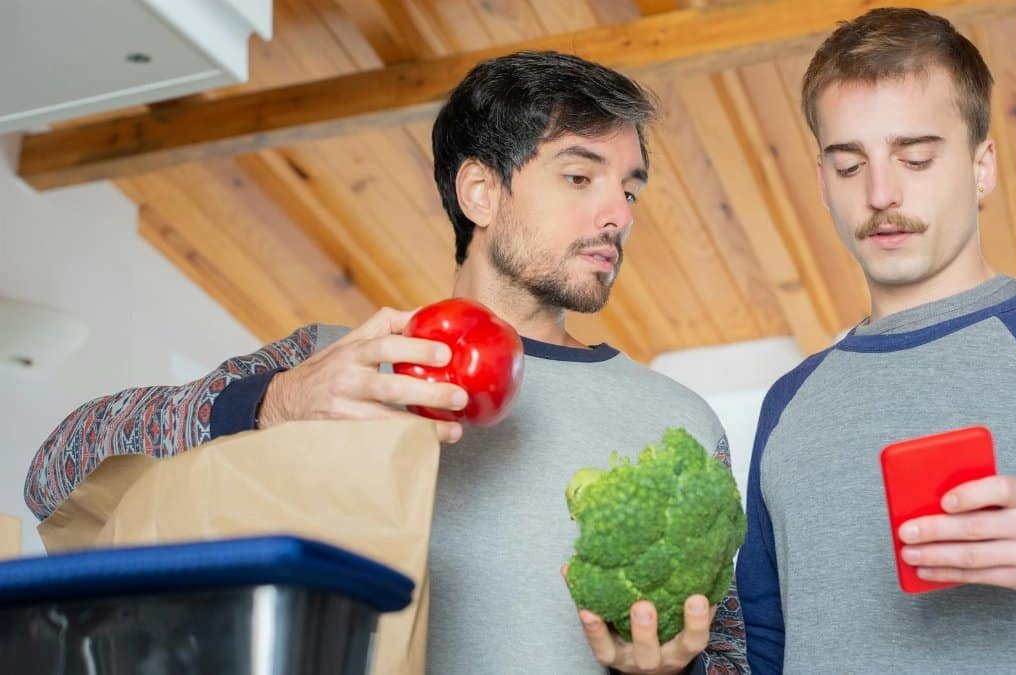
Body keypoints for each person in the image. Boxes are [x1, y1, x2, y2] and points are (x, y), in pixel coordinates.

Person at [25, 51, 747, 675]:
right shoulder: (330, 363)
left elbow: (733, 658)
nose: (618, 213)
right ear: (480, 191)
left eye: (630, 187)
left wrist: (674, 669)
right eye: (580, 177)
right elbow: (56, 474)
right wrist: (278, 401)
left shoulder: (679, 423)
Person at [736, 8, 1016, 674]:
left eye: (916, 156)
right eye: (847, 166)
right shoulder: (788, 401)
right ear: (821, 181)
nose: (880, 193)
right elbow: (761, 648)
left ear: (983, 166)